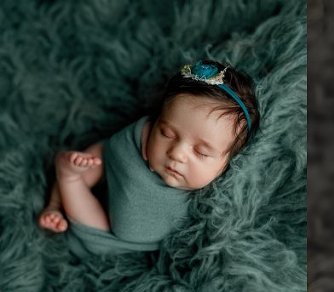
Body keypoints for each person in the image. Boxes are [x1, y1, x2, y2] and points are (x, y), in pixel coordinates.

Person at [37, 60, 260, 257]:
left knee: (97, 231)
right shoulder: (135, 139)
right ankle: (63, 189)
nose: (177, 153)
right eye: (167, 133)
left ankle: (68, 184)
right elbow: (112, 150)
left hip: (111, 231)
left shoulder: (218, 199)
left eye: (201, 152)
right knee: (95, 157)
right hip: (108, 175)